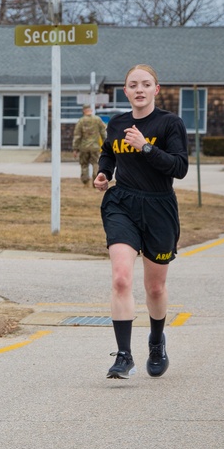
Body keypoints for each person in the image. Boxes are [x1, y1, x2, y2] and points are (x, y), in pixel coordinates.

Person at [93, 65, 188, 380]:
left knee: (155, 287)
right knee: (121, 279)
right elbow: (108, 153)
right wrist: (104, 172)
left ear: (156, 89)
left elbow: (179, 167)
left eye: (146, 84)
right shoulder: (117, 123)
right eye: (133, 85)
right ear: (125, 91)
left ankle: (157, 341)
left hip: (159, 207)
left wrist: (146, 147)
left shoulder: (170, 123)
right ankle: (124, 355)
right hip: (122, 203)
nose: (139, 89)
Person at [72, 104, 106, 186]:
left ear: (84, 110)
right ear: (90, 110)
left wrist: (75, 149)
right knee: (96, 164)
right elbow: (104, 133)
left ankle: (85, 182)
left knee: (84, 164)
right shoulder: (97, 120)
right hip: (95, 147)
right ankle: (96, 181)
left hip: (84, 147)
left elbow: (77, 136)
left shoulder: (81, 121)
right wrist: (106, 145)